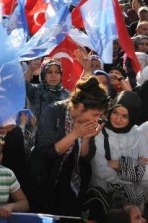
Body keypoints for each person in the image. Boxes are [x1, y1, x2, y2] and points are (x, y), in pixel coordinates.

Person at [28, 76, 110, 216]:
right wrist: (74, 134)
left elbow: (85, 157)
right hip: (46, 182)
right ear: (81, 107)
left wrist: (85, 139)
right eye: (95, 114)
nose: (97, 119)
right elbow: (46, 152)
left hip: (71, 183)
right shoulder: (52, 112)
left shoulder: (87, 121)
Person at [90, 91, 148, 209]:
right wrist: (134, 168)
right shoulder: (100, 132)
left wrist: (118, 165)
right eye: (115, 112)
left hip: (135, 202)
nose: (118, 119)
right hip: (107, 198)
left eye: (125, 116)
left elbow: (146, 171)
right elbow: (100, 170)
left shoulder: (138, 134)